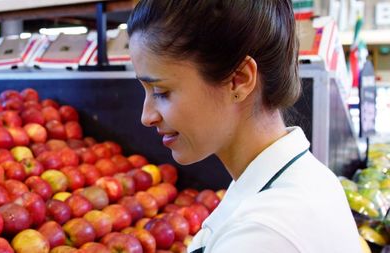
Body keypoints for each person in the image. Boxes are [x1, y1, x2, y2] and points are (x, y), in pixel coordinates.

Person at [127, 1, 362, 252]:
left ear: (239, 80)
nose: (146, 116)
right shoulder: (301, 181)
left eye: (161, 92)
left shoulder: (263, 234)